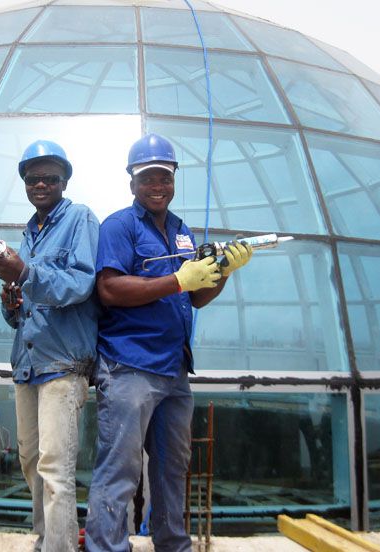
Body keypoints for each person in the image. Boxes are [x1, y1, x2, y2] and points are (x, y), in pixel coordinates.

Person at [85, 134, 253, 552]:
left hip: (174, 372)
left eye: (165, 177)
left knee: (172, 468)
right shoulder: (119, 226)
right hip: (130, 367)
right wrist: (178, 278)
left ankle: (173, 545)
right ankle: (106, 547)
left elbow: (195, 297)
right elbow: (109, 288)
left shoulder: (181, 231)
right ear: (132, 183)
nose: (157, 185)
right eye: (148, 178)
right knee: (119, 469)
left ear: (174, 179)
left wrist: (223, 272)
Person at [0, 140, 99, 552]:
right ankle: (45, 541)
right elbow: (21, 314)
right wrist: (11, 300)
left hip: (63, 362)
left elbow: (82, 283)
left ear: (64, 181)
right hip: (28, 361)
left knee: (55, 468)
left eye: (50, 178)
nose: (41, 184)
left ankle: (59, 548)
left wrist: (26, 271)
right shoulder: (29, 232)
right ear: (25, 184)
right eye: (33, 178)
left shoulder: (80, 220)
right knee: (30, 460)